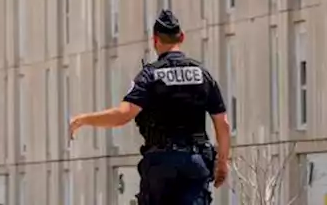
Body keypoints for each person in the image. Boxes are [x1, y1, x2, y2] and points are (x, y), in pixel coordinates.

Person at [69, 10, 230, 204]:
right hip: (195, 163)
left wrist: (83, 119)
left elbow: (123, 115)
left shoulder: (150, 76)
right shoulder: (202, 74)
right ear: (182, 37)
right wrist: (222, 163)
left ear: (155, 40)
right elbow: (223, 124)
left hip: (161, 165)